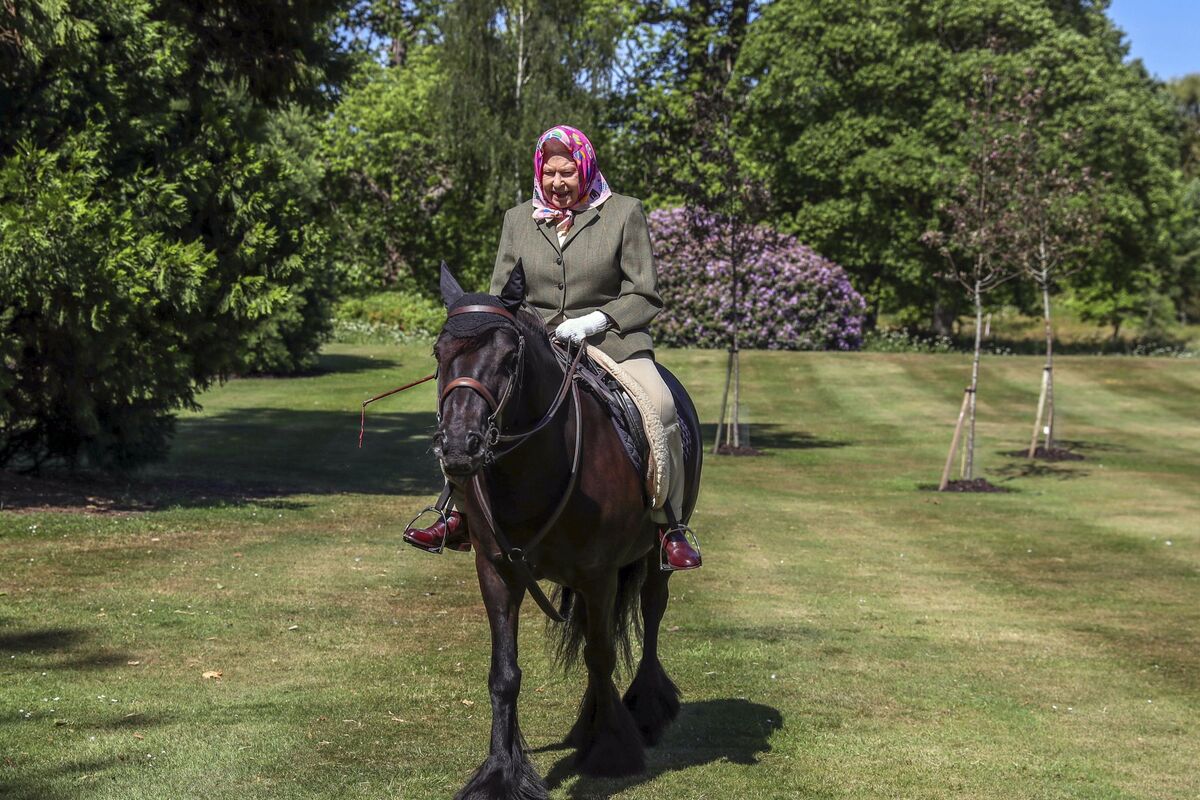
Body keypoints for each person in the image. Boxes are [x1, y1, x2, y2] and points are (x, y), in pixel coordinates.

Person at [404, 124, 701, 570]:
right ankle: (458, 512)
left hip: (611, 341)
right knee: (470, 404)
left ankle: (668, 524)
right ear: (539, 172)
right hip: (536, 343)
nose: (558, 182)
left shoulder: (624, 213)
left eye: (567, 173)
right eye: (550, 173)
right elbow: (503, 296)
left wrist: (595, 321)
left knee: (660, 405)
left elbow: (644, 294)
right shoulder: (517, 219)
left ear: (585, 168)